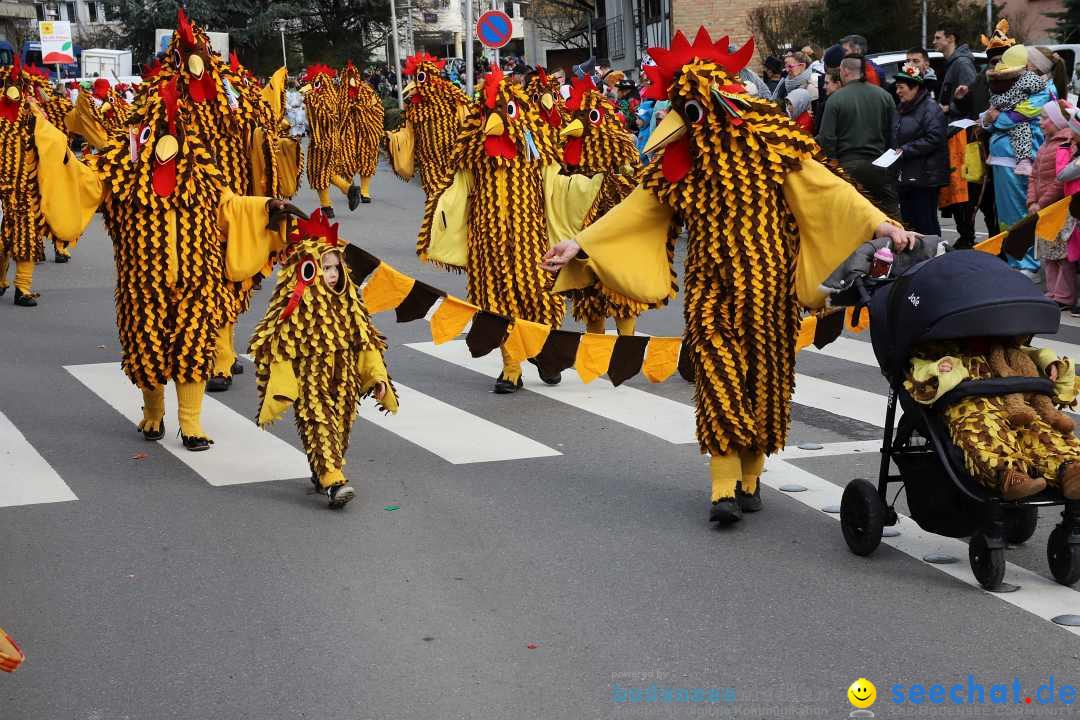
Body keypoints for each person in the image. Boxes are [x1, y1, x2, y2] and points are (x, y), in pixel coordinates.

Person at [543, 29, 918, 525]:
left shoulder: (773, 150)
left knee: (765, 382)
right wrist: (581, 243)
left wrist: (882, 224)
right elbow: (639, 208)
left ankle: (750, 476)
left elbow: (828, 191)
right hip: (710, 289)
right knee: (718, 378)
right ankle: (722, 487)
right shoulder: (683, 164)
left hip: (772, 289)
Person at [250, 212, 398, 508]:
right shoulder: (295, 308)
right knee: (317, 422)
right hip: (310, 378)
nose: (332, 273)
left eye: (335, 267)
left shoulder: (349, 303)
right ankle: (333, 479)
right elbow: (273, 343)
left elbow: (366, 342)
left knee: (340, 427)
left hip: (344, 379)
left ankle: (325, 471)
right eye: (324, 267)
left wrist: (377, 378)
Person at [905, 339, 1080, 500]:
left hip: (1013, 393)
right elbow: (920, 371)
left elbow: (1029, 351)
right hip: (966, 393)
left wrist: (1049, 362)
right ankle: (1008, 475)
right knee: (981, 426)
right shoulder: (931, 347)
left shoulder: (1003, 341)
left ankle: (1070, 469)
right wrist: (937, 369)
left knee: (1038, 426)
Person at [816, 56, 900, 217]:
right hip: (880, 165)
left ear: (845, 71)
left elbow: (827, 138)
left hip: (848, 167)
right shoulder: (884, 96)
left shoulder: (835, 100)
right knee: (891, 216)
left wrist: (833, 165)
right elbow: (894, 132)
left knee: (853, 217)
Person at [1028, 101, 1076, 309]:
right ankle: (1052, 292)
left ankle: (1064, 295)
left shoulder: (1065, 143)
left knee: (1061, 253)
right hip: (1042, 208)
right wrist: (1031, 200)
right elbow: (1034, 175)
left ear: (1056, 121)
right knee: (1047, 251)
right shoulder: (1045, 143)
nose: (1040, 123)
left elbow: (1060, 180)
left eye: (1044, 118)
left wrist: (1043, 202)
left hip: (1057, 207)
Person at [892, 63, 948, 236]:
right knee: (909, 221)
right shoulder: (903, 108)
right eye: (897, 88)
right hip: (907, 174)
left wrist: (906, 149)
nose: (898, 92)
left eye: (901, 88)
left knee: (926, 221)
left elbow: (935, 138)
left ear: (915, 87)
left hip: (925, 176)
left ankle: (934, 257)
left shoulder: (930, 108)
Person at [986, 45, 1047, 176]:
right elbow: (993, 117)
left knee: (1021, 128)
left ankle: (1024, 161)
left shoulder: (1045, 91)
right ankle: (1023, 161)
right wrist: (986, 119)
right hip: (1006, 157)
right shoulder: (1024, 79)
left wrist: (994, 117)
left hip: (1014, 159)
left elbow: (1016, 117)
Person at [933, 25, 977, 120]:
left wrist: (948, 109)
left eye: (938, 38)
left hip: (960, 128)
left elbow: (972, 97)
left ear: (951, 38)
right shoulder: (953, 63)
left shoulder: (962, 63)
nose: (934, 42)